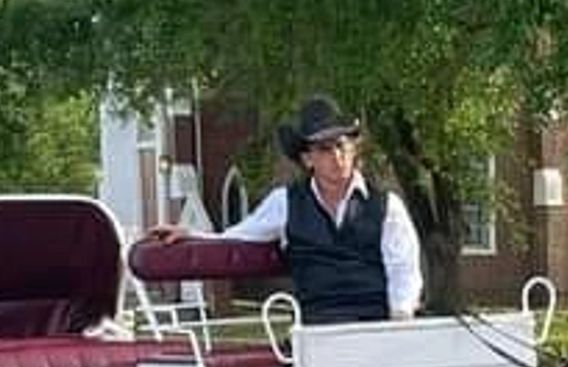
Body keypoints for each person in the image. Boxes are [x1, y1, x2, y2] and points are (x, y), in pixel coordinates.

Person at [155, 95, 423, 325]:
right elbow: (241, 235)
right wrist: (190, 234)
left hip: (373, 328)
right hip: (316, 333)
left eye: (342, 145)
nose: (337, 157)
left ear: (353, 150)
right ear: (308, 159)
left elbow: (404, 271)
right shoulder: (285, 203)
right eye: (325, 149)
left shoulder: (387, 207)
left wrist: (397, 327)